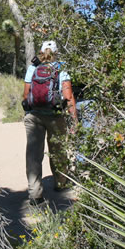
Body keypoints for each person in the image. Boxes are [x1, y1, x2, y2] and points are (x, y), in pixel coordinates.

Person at [22, 40, 78, 204]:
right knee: (57, 150)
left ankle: (35, 194)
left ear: (41, 52)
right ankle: (60, 183)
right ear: (56, 52)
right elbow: (68, 97)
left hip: (33, 116)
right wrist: (74, 119)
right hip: (55, 115)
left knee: (33, 154)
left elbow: (26, 95)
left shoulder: (33, 68)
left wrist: (28, 112)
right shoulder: (61, 69)